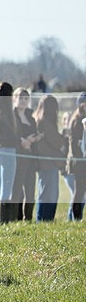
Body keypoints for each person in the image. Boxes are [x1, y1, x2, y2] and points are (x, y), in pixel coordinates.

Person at [0, 82, 32, 225]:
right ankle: (4, 222)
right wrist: (20, 140)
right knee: (6, 189)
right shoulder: (4, 107)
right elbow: (9, 132)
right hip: (7, 150)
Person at [33, 95, 66, 221]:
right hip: (48, 162)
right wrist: (64, 138)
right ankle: (44, 220)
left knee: (45, 192)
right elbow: (56, 142)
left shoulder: (38, 119)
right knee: (49, 194)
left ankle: (43, 219)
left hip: (44, 162)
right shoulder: (45, 122)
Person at [11, 88, 41, 221]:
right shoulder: (11, 116)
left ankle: (28, 218)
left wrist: (34, 138)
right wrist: (23, 141)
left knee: (30, 192)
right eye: (20, 97)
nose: (23, 101)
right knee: (17, 191)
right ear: (14, 98)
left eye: (26, 98)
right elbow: (11, 136)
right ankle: (16, 218)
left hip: (31, 157)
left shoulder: (30, 116)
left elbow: (34, 132)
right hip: (18, 158)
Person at [65, 92, 86, 221]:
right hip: (79, 162)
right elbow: (74, 143)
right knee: (79, 192)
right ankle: (75, 219)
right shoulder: (77, 120)